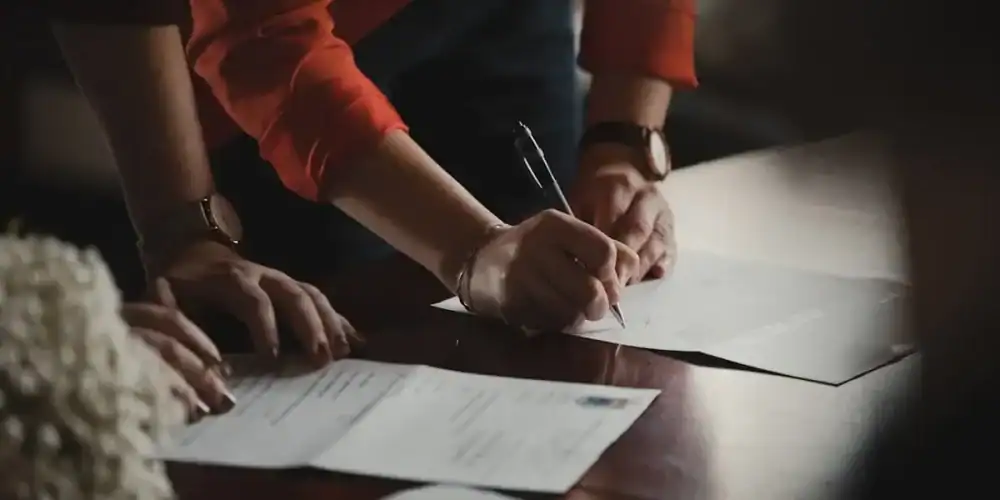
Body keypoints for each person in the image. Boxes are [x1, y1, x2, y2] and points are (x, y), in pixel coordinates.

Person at [50, 0, 695, 362]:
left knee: (553, 314)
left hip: (510, 19)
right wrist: (474, 247)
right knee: (327, 355)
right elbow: (264, 37)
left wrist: (624, 145)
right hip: (279, 71)